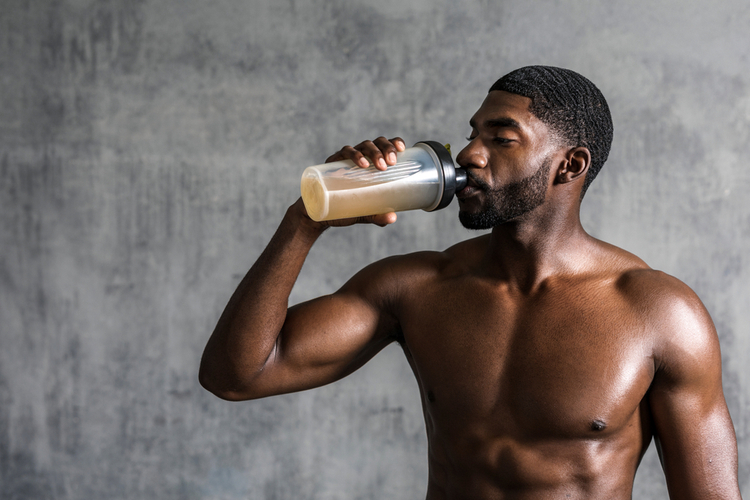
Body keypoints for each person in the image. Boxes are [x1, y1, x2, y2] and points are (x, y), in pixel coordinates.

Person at [199, 66, 742, 499]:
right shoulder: (416, 288)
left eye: (502, 139)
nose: (469, 155)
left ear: (570, 165)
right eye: (472, 134)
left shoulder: (658, 312)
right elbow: (237, 375)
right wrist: (304, 223)